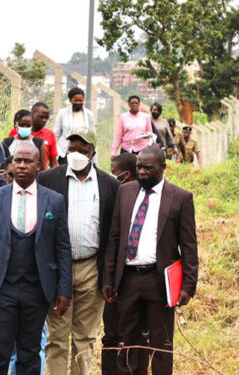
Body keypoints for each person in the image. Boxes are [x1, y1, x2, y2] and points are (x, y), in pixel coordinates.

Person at [0, 142, 72, 375]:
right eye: (18, 160)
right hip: (1, 288)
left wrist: (64, 290)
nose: (22, 166)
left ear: (38, 166)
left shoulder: (54, 201)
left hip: (37, 289)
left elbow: (62, 248)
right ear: (10, 165)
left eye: (28, 161)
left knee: (30, 352)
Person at [101, 145, 199, 375]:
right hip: (128, 281)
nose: (142, 172)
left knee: (161, 343)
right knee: (130, 341)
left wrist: (188, 286)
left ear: (163, 168)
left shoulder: (180, 198)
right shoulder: (124, 192)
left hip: (159, 282)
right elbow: (114, 237)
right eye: (138, 167)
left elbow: (189, 246)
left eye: (148, 167)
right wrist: (108, 277)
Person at [37, 128, 120, 375]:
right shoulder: (48, 179)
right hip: (57, 267)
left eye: (82, 151)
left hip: (91, 267)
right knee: (57, 338)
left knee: (85, 337)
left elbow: (112, 232)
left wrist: (108, 274)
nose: (76, 154)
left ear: (93, 153)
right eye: (72, 149)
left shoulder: (109, 185)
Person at [103, 152, 148, 375]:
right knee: (111, 334)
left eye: (114, 173)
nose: (112, 177)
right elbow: (113, 238)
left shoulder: (149, 199)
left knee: (136, 334)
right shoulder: (116, 194)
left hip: (141, 277)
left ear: (125, 174)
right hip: (116, 276)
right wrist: (108, 277)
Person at [8, 102, 60, 168]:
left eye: (46, 118)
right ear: (32, 115)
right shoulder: (15, 132)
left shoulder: (50, 134)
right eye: (41, 117)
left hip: (40, 176)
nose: (44, 120)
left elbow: (53, 163)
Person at [53, 87, 96, 165]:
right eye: (76, 100)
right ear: (70, 100)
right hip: (66, 151)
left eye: (81, 100)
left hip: (83, 152)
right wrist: (53, 155)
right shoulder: (62, 113)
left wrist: (94, 159)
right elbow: (56, 134)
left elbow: (92, 136)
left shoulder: (89, 114)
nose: (78, 103)